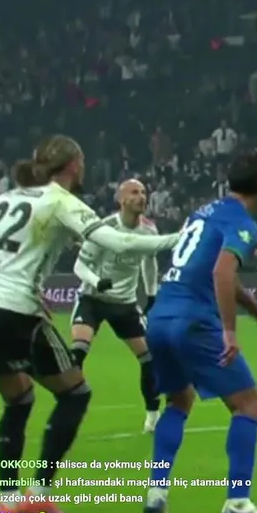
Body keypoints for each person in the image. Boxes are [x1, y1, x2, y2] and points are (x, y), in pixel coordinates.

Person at [0, 136, 179, 513]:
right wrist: (182, 238)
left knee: (19, 397)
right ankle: (38, 497)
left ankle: (8, 505)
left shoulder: (6, 199)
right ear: (74, 165)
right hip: (13, 312)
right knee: (75, 393)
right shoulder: (61, 201)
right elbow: (118, 242)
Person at [141, 152, 257, 513]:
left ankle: (156, 493)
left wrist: (253, 308)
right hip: (193, 320)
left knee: (179, 400)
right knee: (249, 406)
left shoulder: (202, 213)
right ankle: (238, 504)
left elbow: (209, 267)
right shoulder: (243, 222)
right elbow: (222, 271)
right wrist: (229, 331)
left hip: (160, 317)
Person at [70, 178, 164, 434]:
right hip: (93, 299)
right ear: (121, 200)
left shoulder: (149, 231)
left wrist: (151, 294)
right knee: (77, 353)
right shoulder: (103, 229)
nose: (141, 196)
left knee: (149, 359)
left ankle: (152, 415)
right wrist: (97, 282)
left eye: (143, 192)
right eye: (134, 192)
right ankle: (69, 411)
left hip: (125, 303)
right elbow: (80, 266)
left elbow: (149, 262)